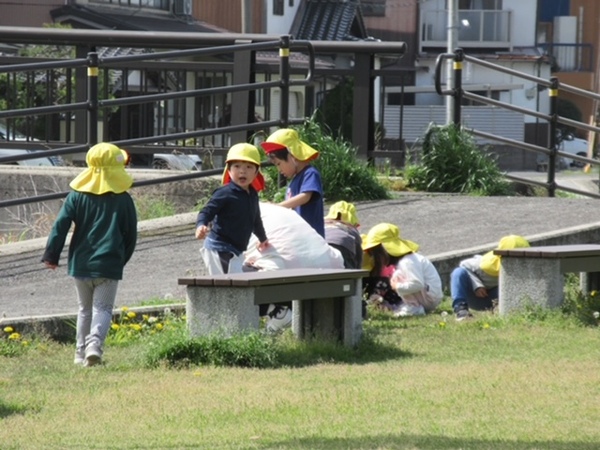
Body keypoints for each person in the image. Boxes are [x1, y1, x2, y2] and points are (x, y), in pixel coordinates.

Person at [41, 142, 137, 367]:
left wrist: (51, 255)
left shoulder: (76, 197)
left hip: (80, 264)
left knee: (84, 309)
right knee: (102, 308)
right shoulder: (124, 199)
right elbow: (131, 235)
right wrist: (120, 260)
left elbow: (60, 226)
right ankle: (94, 346)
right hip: (108, 264)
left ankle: (79, 353)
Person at [244, 202, 345, 332]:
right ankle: (281, 316)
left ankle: (277, 312)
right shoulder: (281, 211)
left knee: (233, 275)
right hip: (332, 265)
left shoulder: (238, 211)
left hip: (284, 274)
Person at [195, 143, 269, 275]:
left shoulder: (252, 194)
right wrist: (201, 225)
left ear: (256, 172)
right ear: (229, 170)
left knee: (234, 283)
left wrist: (263, 238)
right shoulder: (225, 193)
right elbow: (206, 211)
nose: (242, 171)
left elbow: (255, 220)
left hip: (236, 249)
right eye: (237, 166)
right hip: (219, 247)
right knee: (228, 283)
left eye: (249, 167)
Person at [362, 223, 443, 317]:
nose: (374, 258)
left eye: (374, 254)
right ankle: (410, 306)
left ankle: (414, 308)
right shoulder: (405, 261)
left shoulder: (407, 262)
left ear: (384, 250)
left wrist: (397, 286)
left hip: (429, 298)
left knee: (397, 276)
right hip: (427, 296)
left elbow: (417, 284)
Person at [260, 128, 325, 237]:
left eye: (279, 164)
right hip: (298, 236)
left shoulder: (310, 173)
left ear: (292, 156)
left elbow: (305, 197)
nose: (279, 170)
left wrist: (278, 207)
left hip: (311, 238)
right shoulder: (295, 180)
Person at [450, 234, 530, 321]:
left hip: (499, 297)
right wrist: (477, 286)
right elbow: (463, 266)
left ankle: (503, 311)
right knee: (458, 272)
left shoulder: (527, 267)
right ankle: (461, 310)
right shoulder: (485, 263)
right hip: (477, 296)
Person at [324, 201, 363, 269]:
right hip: (343, 246)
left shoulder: (323, 223)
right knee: (348, 272)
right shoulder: (350, 228)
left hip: (322, 244)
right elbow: (358, 255)